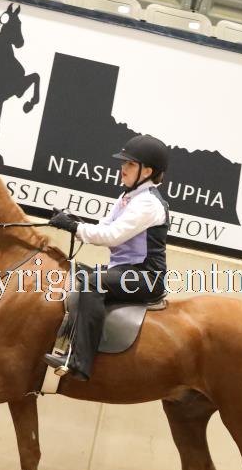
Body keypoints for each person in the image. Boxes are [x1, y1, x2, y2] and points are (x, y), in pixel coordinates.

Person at [44, 134, 171, 382]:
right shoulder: (127, 198)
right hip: (124, 270)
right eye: (124, 163)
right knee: (76, 273)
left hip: (145, 277)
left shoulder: (148, 203)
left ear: (147, 171)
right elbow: (103, 227)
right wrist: (73, 221)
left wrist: (73, 227)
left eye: (130, 164)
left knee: (92, 283)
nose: (123, 168)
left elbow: (111, 236)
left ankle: (79, 361)